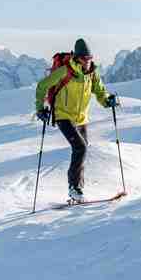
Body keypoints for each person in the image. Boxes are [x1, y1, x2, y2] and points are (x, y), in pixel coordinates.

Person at [35, 38, 118, 202]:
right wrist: (39, 108)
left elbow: (100, 92)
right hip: (63, 115)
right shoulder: (65, 71)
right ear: (77, 58)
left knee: (82, 149)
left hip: (81, 118)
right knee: (80, 148)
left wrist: (107, 100)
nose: (88, 62)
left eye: (90, 58)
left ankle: (77, 192)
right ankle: (74, 188)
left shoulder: (92, 74)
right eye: (85, 58)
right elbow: (42, 86)